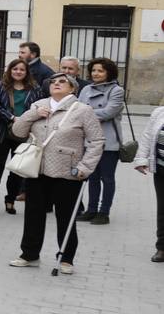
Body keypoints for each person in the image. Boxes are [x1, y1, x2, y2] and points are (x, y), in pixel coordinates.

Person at [9, 73, 103, 275]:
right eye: (53, 82)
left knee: (65, 216)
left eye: (62, 82)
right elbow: (17, 131)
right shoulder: (39, 104)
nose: (56, 84)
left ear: (73, 88)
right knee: (33, 214)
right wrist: (33, 114)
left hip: (67, 171)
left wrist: (85, 167)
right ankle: (29, 254)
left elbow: (96, 141)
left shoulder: (82, 110)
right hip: (37, 168)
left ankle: (66, 258)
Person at [0, 59, 42, 215]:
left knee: (17, 169)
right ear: (10, 70)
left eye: (22, 70)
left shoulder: (35, 88)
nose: (18, 72)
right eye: (15, 69)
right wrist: (12, 118)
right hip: (1, 132)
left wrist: (23, 121)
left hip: (22, 133)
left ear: (26, 72)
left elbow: (37, 108)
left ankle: (10, 200)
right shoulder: (0, 85)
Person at [77, 57, 125, 225]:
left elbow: (108, 113)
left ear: (108, 73)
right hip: (89, 140)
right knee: (92, 177)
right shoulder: (86, 89)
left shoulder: (116, 90)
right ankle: (91, 210)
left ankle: (104, 212)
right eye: (94, 70)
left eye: (100, 71)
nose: (95, 73)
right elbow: (77, 109)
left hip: (108, 141)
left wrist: (85, 114)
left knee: (107, 178)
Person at [130, 102, 164, 263]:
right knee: (163, 209)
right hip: (161, 169)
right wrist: (141, 159)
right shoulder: (159, 112)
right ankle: (162, 247)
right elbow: (148, 136)